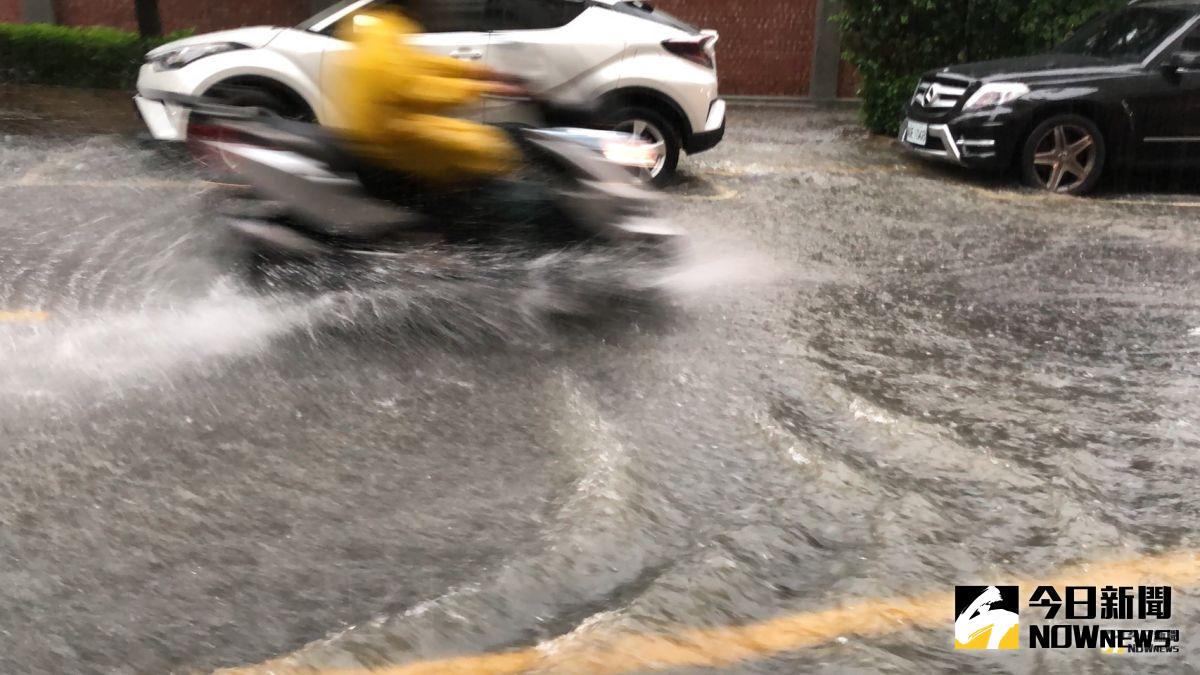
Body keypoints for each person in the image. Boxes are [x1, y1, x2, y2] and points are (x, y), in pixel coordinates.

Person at [330, 9, 524, 184]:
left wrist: (480, 73)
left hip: (399, 133)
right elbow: (408, 86)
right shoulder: (380, 37)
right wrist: (478, 87)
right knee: (495, 155)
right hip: (396, 145)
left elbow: (421, 64)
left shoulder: (383, 27)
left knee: (502, 136)